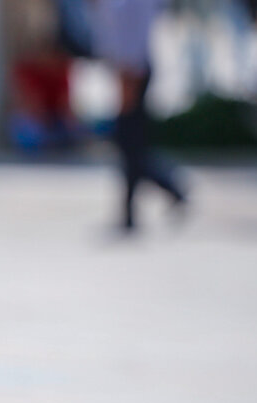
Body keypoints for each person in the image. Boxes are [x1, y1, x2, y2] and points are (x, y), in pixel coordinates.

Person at [93, 0, 188, 231]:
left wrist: (128, 78)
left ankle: (167, 189)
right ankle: (132, 212)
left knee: (130, 145)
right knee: (130, 147)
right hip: (127, 69)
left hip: (133, 70)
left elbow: (133, 32)